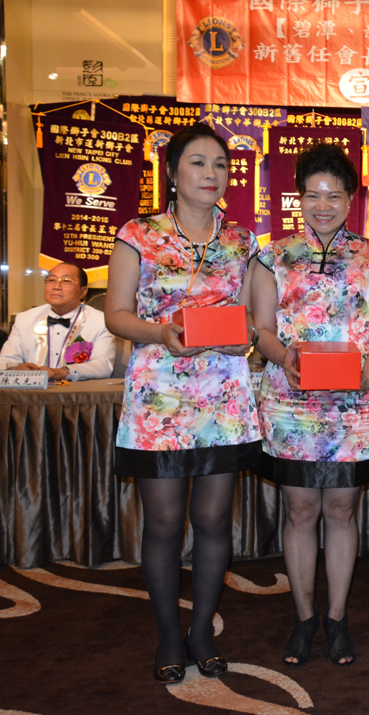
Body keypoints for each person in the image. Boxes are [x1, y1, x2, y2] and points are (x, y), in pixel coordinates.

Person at [104, 122, 262, 684]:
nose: (211, 174)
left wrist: (247, 337)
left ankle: (201, 632)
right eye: (197, 163)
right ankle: (169, 634)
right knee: (165, 522)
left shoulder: (241, 240)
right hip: (159, 397)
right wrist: (160, 332)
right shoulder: (139, 233)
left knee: (214, 519)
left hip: (223, 396)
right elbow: (115, 314)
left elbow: (250, 317)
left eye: (220, 164)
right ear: (171, 172)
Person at [252, 143, 369, 667]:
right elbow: (261, 328)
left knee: (340, 508)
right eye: (313, 195)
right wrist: (283, 356)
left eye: (334, 195)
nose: (323, 205)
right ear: (298, 197)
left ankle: (336, 618)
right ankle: (303, 617)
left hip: (356, 402)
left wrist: (366, 374)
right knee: (299, 509)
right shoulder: (272, 255)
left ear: (350, 198)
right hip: (291, 400)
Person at [0, 262, 116, 380]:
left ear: (83, 291)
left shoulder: (101, 322)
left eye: (66, 281)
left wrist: (62, 372)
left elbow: (103, 366)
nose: (56, 286)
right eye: (51, 280)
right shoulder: (24, 319)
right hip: (31, 391)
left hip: (77, 392)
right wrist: (16, 368)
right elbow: (1, 362)